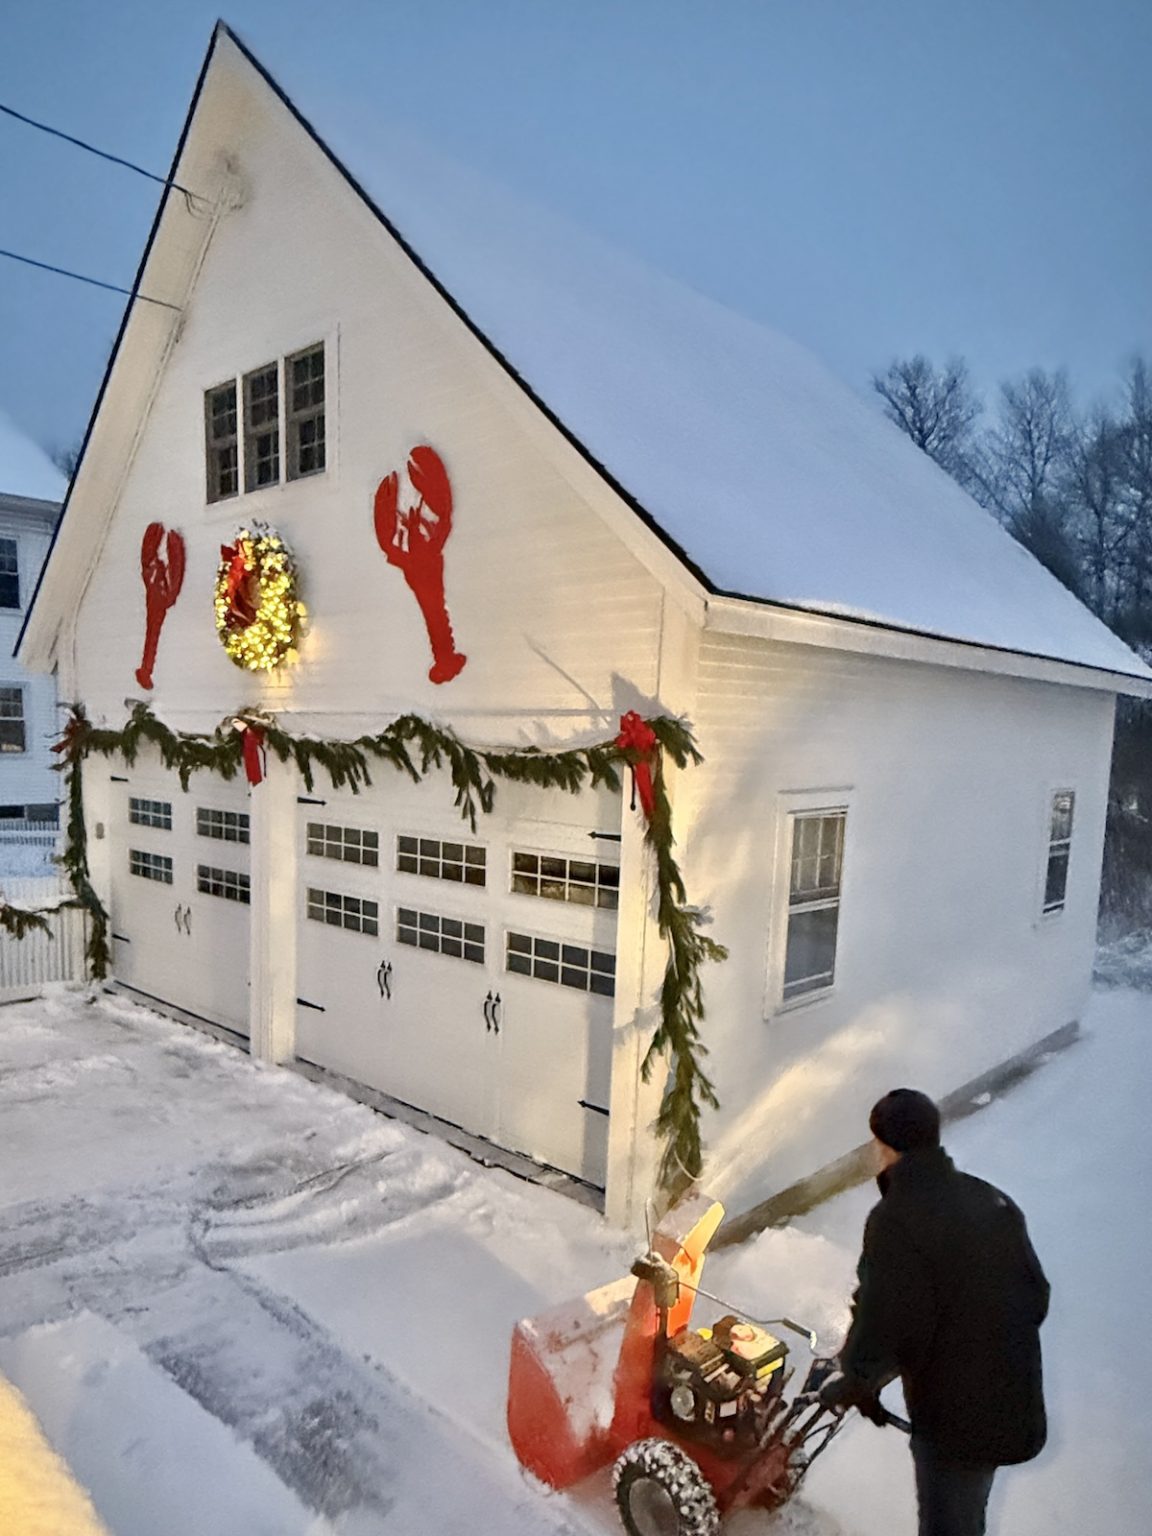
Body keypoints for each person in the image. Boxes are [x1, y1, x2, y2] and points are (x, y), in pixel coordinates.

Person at [820, 1088, 1050, 1536]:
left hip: (952, 1418)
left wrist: (857, 1379)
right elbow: (1035, 1295)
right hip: (1012, 1397)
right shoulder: (990, 1199)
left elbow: (885, 1318)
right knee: (967, 1516)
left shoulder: (894, 1220)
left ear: (885, 1147)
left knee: (949, 1523)